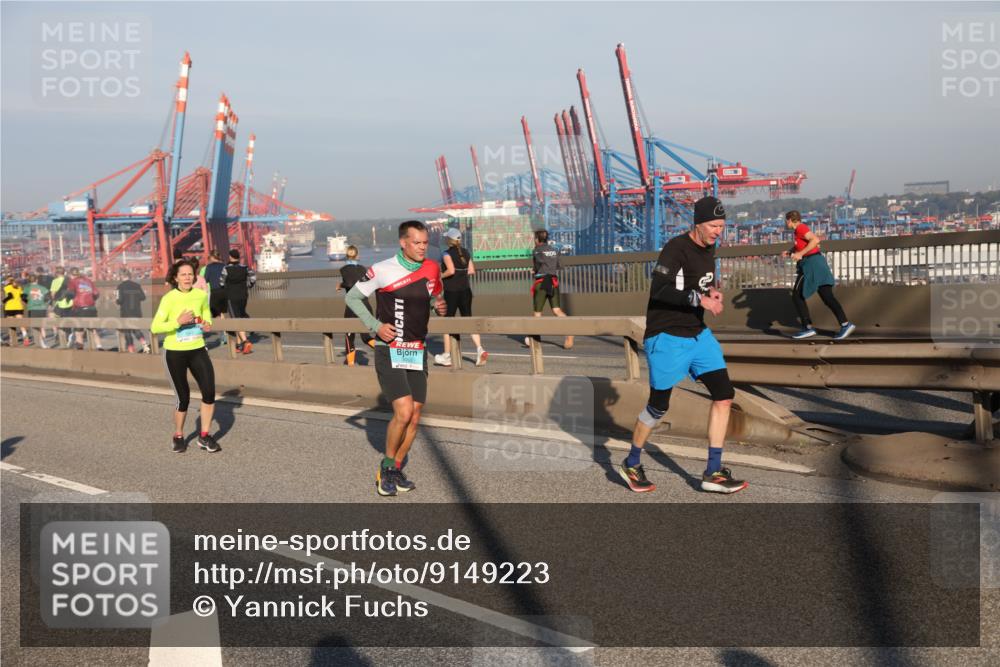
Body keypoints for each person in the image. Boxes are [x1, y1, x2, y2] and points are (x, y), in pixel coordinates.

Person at [619, 196, 747, 495]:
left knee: (724, 395)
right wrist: (697, 299)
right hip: (666, 336)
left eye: (722, 226)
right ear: (698, 223)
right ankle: (632, 462)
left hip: (698, 335)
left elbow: (705, 281)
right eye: (713, 226)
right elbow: (660, 289)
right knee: (658, 406)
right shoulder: (675, 248)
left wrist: (713, 293)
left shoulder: (709, 248)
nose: (718, 231)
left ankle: (713, 471)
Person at [345, 220, 447, 496]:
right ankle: (387, 466)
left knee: (414, 416)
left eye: (425, 242)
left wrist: (438, 306)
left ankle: (396, 467)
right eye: (417, 242)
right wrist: (375, 325)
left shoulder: (431, 268)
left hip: (416, 350)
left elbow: (434, 296)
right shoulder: (382, 269)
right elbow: (352, 298)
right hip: (388, 349)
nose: (423, 247)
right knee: (402, 412)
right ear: (403, 242)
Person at [150, 259, 220, 453]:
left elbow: (206, 316)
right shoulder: (169, 299)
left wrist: (207, 324)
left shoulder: (200, 295)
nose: (188, 277)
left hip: (197, 349)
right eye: (183, 274)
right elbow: (155, 327)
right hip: (174, 353)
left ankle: (204, 436)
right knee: (183, 398)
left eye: (190, 274)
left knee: (209, 393)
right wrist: (177, 322)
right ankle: (178, 435)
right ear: (175, 278)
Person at [783, 211, 856, 340]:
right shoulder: (798, 231)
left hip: (811, 266)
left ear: (790, 220)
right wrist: (790, 251)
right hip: (818, 264)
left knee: (796, 295)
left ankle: (807, 328)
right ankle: (845, 324)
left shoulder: (801, 228)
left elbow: (815, 240)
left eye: (786, 220)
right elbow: (805, 245)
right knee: (827, 297)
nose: (785, 223)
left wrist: (800, 254)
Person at [434, 228, 488, 367]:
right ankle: (479, 349)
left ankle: (447, 355)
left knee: (447, 322)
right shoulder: (466, 252)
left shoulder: (446, 253)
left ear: (449, 240)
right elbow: (471, 271)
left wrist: (439, 276)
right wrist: (461, 273)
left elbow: (450, 270)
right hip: (466, 291)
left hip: (451, 292)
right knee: (468, 320)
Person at [525, 229, 573, 350]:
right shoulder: (554, 250)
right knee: (557, 310)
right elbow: (559, 265)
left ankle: (535, 339)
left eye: (534, 238)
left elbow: (537, 266)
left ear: (537, 239)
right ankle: (569, 332)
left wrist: (535, 271)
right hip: (553, 281)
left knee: (537, 313)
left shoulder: (537, 251)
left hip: (542, 282)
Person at [338, 245, 374, 366]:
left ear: (346, 255)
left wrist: (340, 285)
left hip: (353, 307)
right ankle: (385, 354)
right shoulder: (363, 269)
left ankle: (351, 364)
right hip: (366, 305)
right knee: (365, 337)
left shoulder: (344, 269)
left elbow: (349, 282)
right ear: (357, 255)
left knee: (349, 336)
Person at [220, 249, 256, 354]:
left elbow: (221, 282)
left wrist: (226, 289)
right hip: (243, 296)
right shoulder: (245, 268)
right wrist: (248, 285)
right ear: (238, 257)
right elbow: (253, 278)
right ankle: (239, 345)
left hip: (232, 297)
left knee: (235, 320)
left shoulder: (226, 269)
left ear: (230, 257)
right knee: (240, 318)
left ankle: (245, 341)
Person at [66, 267, 103, 350]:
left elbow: (70, 294)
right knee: (94, 330)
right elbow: (96, 293)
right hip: (91, 308)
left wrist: (67, 298)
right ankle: (99, 347)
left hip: (80, 309)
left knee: (79, 332)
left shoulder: (72, 281)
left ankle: (80, 350)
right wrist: (91, 300)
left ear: (71, 275)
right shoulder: (88, 281)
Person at [115, 269, 150, 353]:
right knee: (136, 330)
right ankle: (145, 346)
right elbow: (143, 297)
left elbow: (119, 300)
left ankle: (131, 349)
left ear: (121, 276)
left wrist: (116, 300)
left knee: (127, 331)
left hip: (126, 312)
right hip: (136, 311)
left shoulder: (119, 287)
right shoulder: (137, 285)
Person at [202, 250, 229, 346]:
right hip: (224, 291)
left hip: (215, 292)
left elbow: (206, 279)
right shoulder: (224, 266)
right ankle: (225, 333)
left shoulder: (209, 267)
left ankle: (223, 334)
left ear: (212, 258)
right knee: (222, 313)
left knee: (216, 313)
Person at [24, 274, 51, 348]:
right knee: (42, 327)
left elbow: (23, 298)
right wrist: (45, 305)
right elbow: (48, 298)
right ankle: (43, 343)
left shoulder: (27, 288)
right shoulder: (42, 288)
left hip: (32, 309)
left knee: (35, 327)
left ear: (29, 280)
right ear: (37, 280)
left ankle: (38, 343)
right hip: (42, 308)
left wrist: (28, 302)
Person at [49, 266, 74, 347]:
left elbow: (53, 294)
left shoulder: (55, 281)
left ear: (56, 273)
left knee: (56, 319)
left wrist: (53, 299)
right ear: (64, 272)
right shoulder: (70, 280)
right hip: (70, 303)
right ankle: (69, 335)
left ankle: (61, 337)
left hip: (60, 304)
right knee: (68, 320)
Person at [3, 275, 29, 346]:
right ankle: (25, 336)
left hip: (10, 307)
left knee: (12, 325)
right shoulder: (19, 287)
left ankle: (13, 341)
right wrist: (27, 302)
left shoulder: (7, 287)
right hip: (18, 307)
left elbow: (10, 296)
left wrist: (3, 301)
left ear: (7, 281)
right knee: (21, 323)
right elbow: (24, 297)